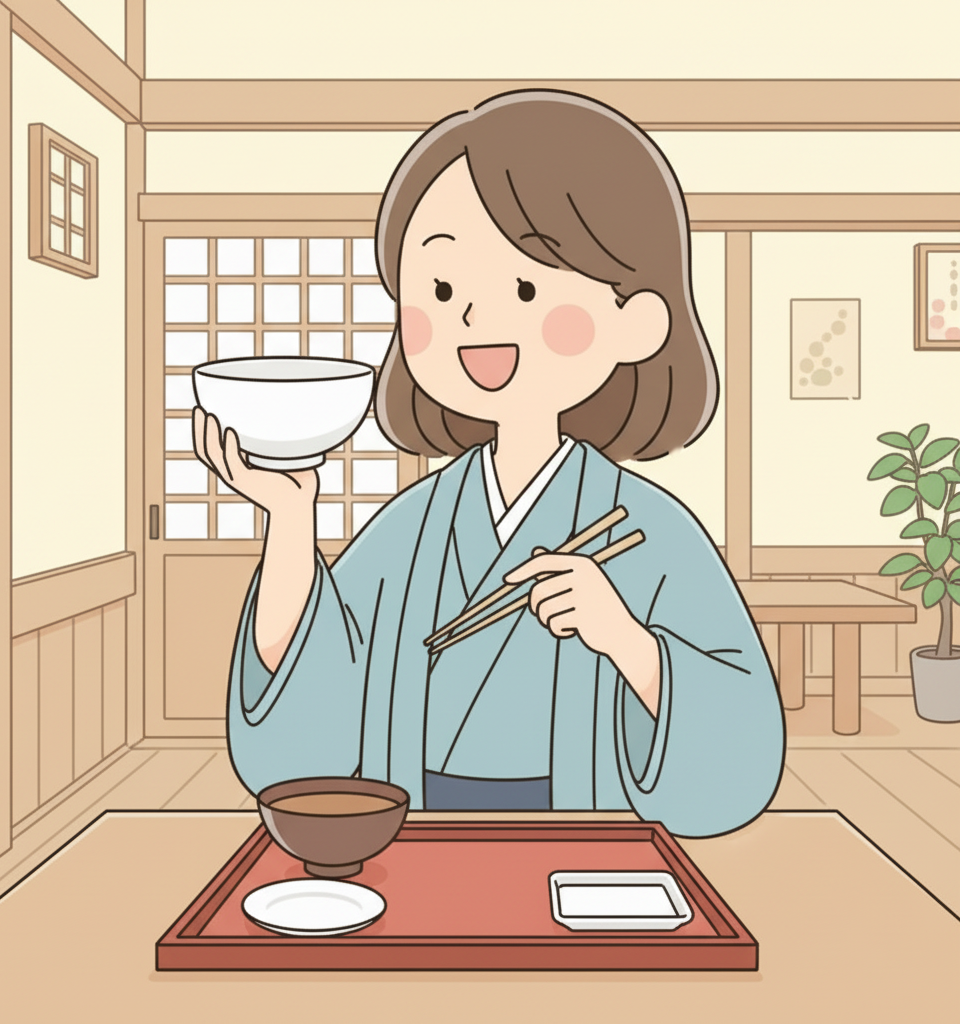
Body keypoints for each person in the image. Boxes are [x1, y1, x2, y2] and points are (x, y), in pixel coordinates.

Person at [194, 89, 786, 837]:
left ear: (635, 322)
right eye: (441, 289)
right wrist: (289, 520)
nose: (472, 316)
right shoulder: (414, 527)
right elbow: (310, 727)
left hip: (584, 840)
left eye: (526, 287)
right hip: (414, 833)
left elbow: (740, 756)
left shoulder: (650, 530)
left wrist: (626, 639)